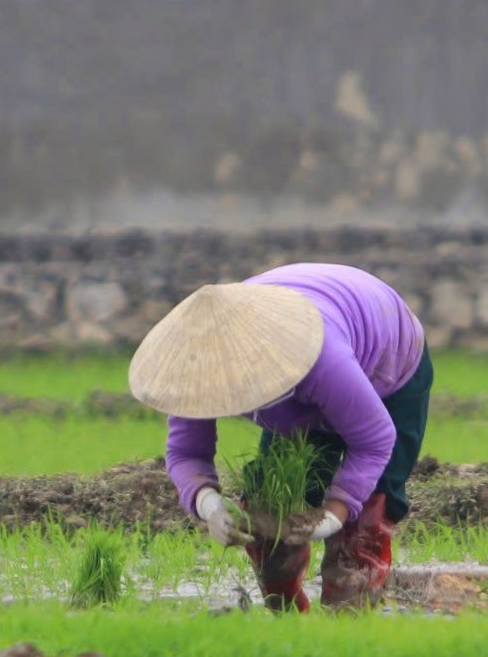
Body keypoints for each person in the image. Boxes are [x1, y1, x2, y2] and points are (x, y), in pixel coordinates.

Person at [132, 262, 432, 612]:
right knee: (269, 513)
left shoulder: (322, 358)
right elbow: (186, 453)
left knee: (364, 523)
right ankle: (288, 620)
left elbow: (375, 439)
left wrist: (333, 515)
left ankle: (348, 627)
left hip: (387, 360)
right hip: (310, 382)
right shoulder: (198, 365)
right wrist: (207, 504)